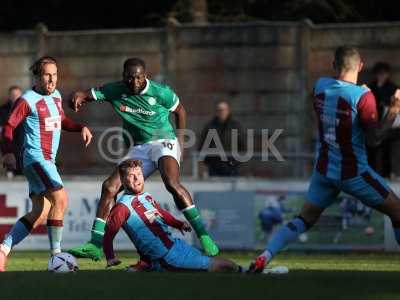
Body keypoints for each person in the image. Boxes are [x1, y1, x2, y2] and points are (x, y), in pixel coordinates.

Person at [248, 46, 400, 272]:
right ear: (360, 66)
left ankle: (265, 255)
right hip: (353, 172)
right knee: (397, 212)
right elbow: (375, 139)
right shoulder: (363, 96)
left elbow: (333, 102)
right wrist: (394, 110)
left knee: (303, 220)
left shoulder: (320, 86)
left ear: (334, 66)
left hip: (325, 170)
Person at [67, 57, 219, 261]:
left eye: (138, 78)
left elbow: (180, 110)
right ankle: (95, 245)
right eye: (130, 78)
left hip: (164, 141)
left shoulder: (160, 92)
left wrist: (180, 143)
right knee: (109, 187)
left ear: (144, 76)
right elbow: (85, 95)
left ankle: (203, 235)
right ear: (124, 77)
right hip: (139, 147)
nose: (134, 82)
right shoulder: (115, 89)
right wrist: (76, 97)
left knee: (171, 183)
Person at [0, 56, 93, 272]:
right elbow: (8, 126)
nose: (52, 79)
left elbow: (60, 121)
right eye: (47, 75)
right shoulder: (27, 100)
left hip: (46, 161)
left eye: (55, 75)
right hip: (35, 158)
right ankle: (57, 258)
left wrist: (80, 127)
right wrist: (7, 153)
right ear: (38, 76)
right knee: (61, 198)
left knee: (41, 212)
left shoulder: (56, 96)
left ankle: (3, 249)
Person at [104, 159, 242, 273]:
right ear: (122, 180)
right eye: (131, 176)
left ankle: (146, 264)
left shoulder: (145, 196)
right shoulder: (122, 207)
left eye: (139, 174)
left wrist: (179, 224)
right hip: (168, 257)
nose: (137, 178)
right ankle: (245, 272)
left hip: (176, 245)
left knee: (207, 259)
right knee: (221, 265)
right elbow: (109, 234)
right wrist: (110, 257)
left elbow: (162, 214)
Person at [367, 62, 399, 177]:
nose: (381, 76)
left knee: (386, 148)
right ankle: (371, 173)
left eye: (384, 74)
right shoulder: (372, 86)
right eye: (379, 74)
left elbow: (394, 102)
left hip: (387, 123)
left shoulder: (392, 87)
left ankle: (386, 173)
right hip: (374, 121)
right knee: (371, 148)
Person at [198, 101, 244, 176]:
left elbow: (242, 146)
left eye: (224, 110)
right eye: (219, 110)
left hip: (232, 168)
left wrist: (235, 162)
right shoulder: (210, 126)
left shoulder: (235, 126)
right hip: (214, 167)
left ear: (228, 111)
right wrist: (207, 162)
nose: (221, 112)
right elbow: (202, 146)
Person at [0, 86, 24, 175]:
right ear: (9, 96)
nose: (15, 97)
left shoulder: (26, 108)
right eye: (13, 95)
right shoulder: (3, 109)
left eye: (17, 95)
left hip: (22, 141)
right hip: (8, 140)